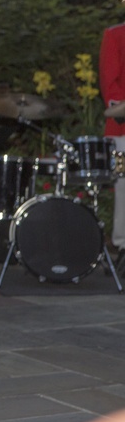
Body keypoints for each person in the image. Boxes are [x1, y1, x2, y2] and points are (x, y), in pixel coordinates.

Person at [99, 19, 125, 263]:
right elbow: (110, 82)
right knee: (123, 185)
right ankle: (123, 245)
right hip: (121, 132)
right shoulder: (115, 34)